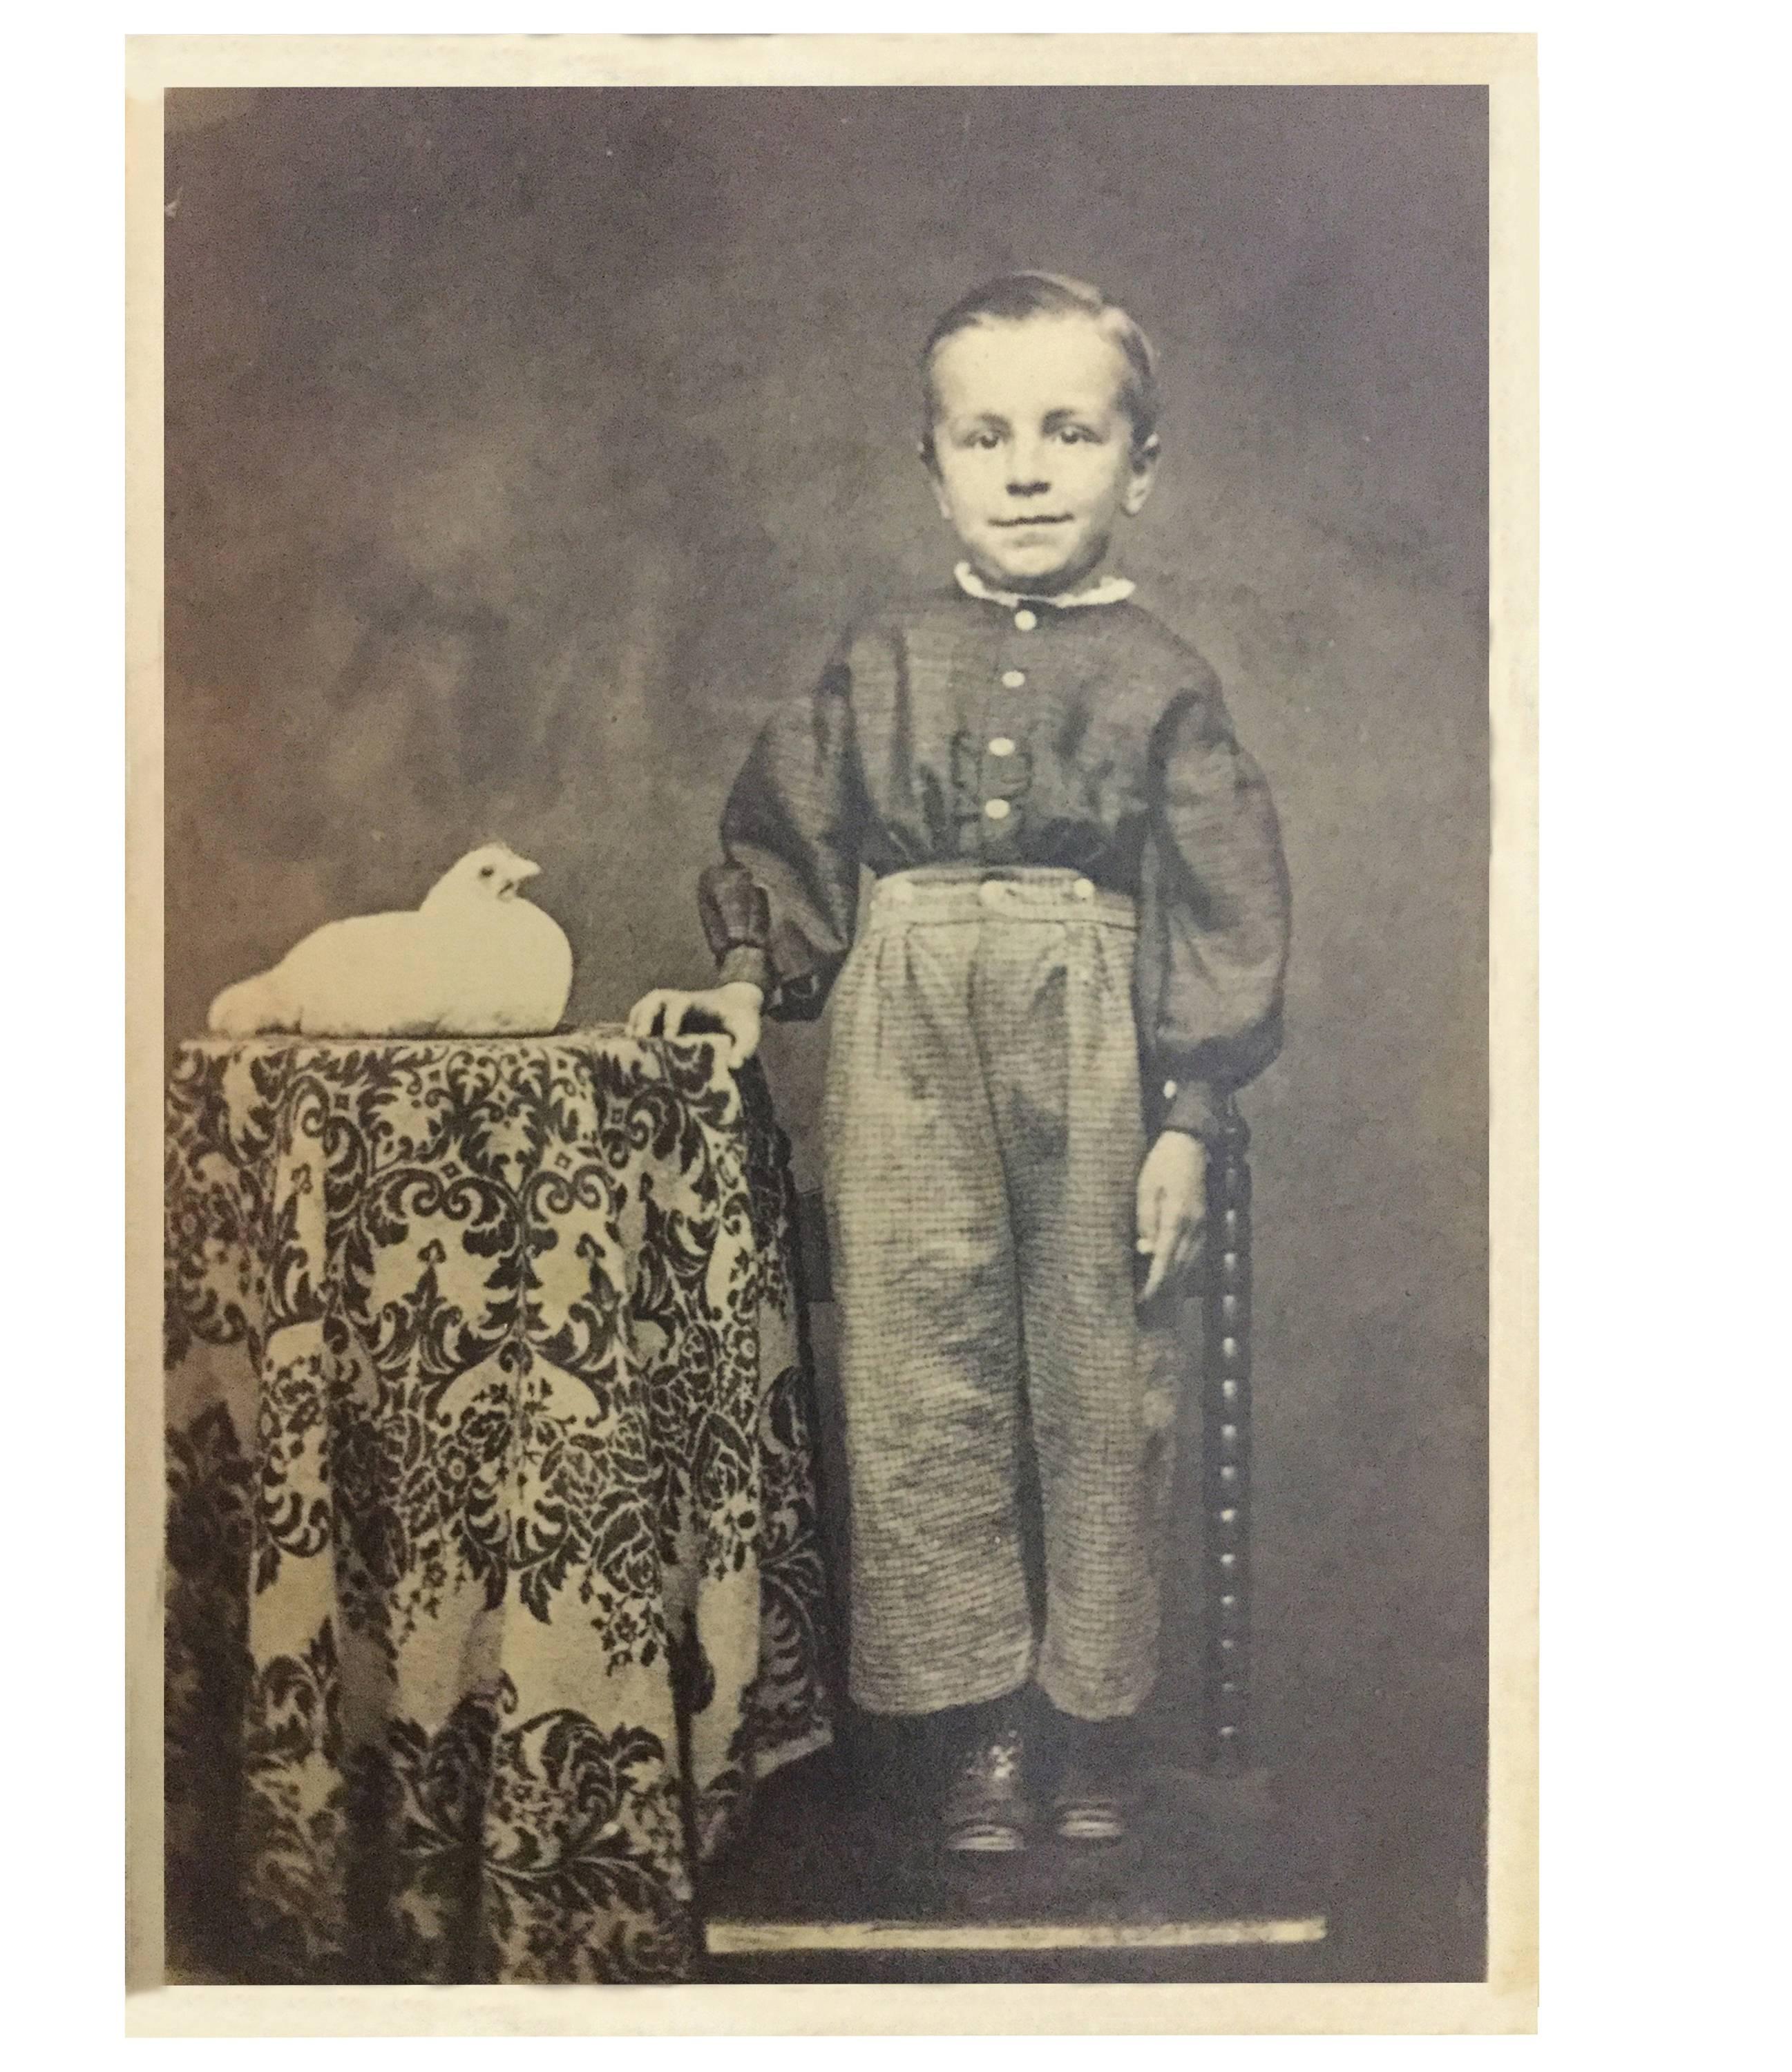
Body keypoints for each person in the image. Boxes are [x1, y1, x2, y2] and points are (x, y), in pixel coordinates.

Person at [629, 271, 1290, 1856]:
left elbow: (1221, 900)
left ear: (1142, 466)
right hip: (902, 1025)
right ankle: (975, 1728)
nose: (1028, 467)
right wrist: (745, 980)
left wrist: (1190, 1116)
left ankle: (1091, 1725)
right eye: (984, 435)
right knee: (922, 1368)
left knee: (1097, 1371)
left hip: (1092, 1040)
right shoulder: (880, 659)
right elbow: (786, 840)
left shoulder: (1165, 682)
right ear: (932, 466)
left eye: (1073, 430)